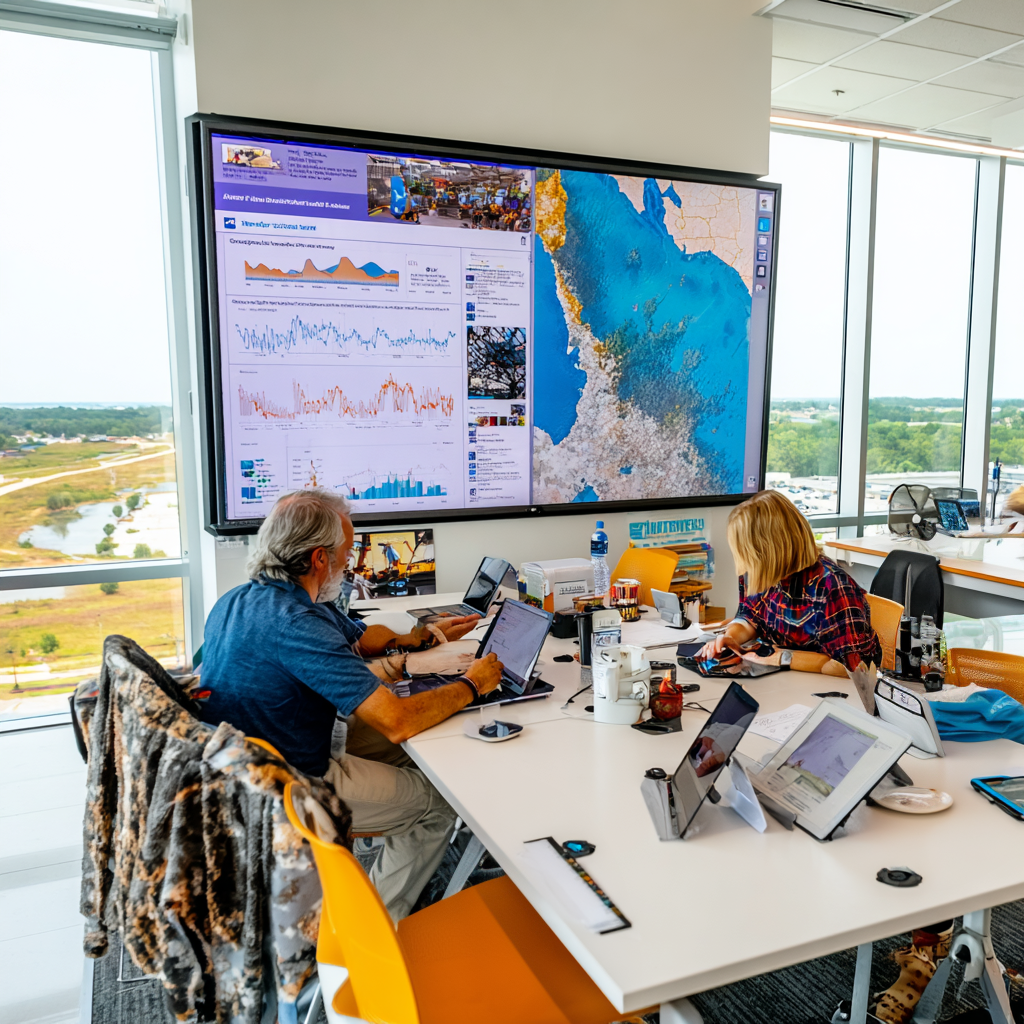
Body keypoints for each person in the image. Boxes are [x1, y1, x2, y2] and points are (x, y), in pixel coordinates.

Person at [198, 488, 504, 920]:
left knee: (435, 746)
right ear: (319, 558)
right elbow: (395, 721)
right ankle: (373, 928)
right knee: (440, 802)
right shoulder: (296, 623)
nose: (353, 560)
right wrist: (472, 685)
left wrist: (414, 638)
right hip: (291, 783)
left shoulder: (246, 599)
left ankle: (417, 861)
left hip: (263, 755)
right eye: (347, 550)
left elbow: (360, 637)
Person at [697, 490, 881, 675]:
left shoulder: (832, 588)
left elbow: (852, 668)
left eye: (746, 552)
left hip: (825, 690)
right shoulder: (764, 575)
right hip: (784, 681)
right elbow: (749, 619)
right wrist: (730, 638)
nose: (744, 562)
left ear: (767, 550)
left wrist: (782, 658)